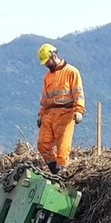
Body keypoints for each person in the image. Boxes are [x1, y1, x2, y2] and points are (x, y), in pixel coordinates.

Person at [35, 43, 86, 175]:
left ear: (53, 55)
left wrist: (79, 111)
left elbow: (78, 93)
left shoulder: (71, 72)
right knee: (42, 143)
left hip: (65, 113)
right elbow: (45, 99)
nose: (46, 64)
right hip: (49, 114)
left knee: (63, 147)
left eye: (47, 61)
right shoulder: (47, 77)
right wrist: (41, 114)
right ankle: (55, 171)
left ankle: (63, 173)